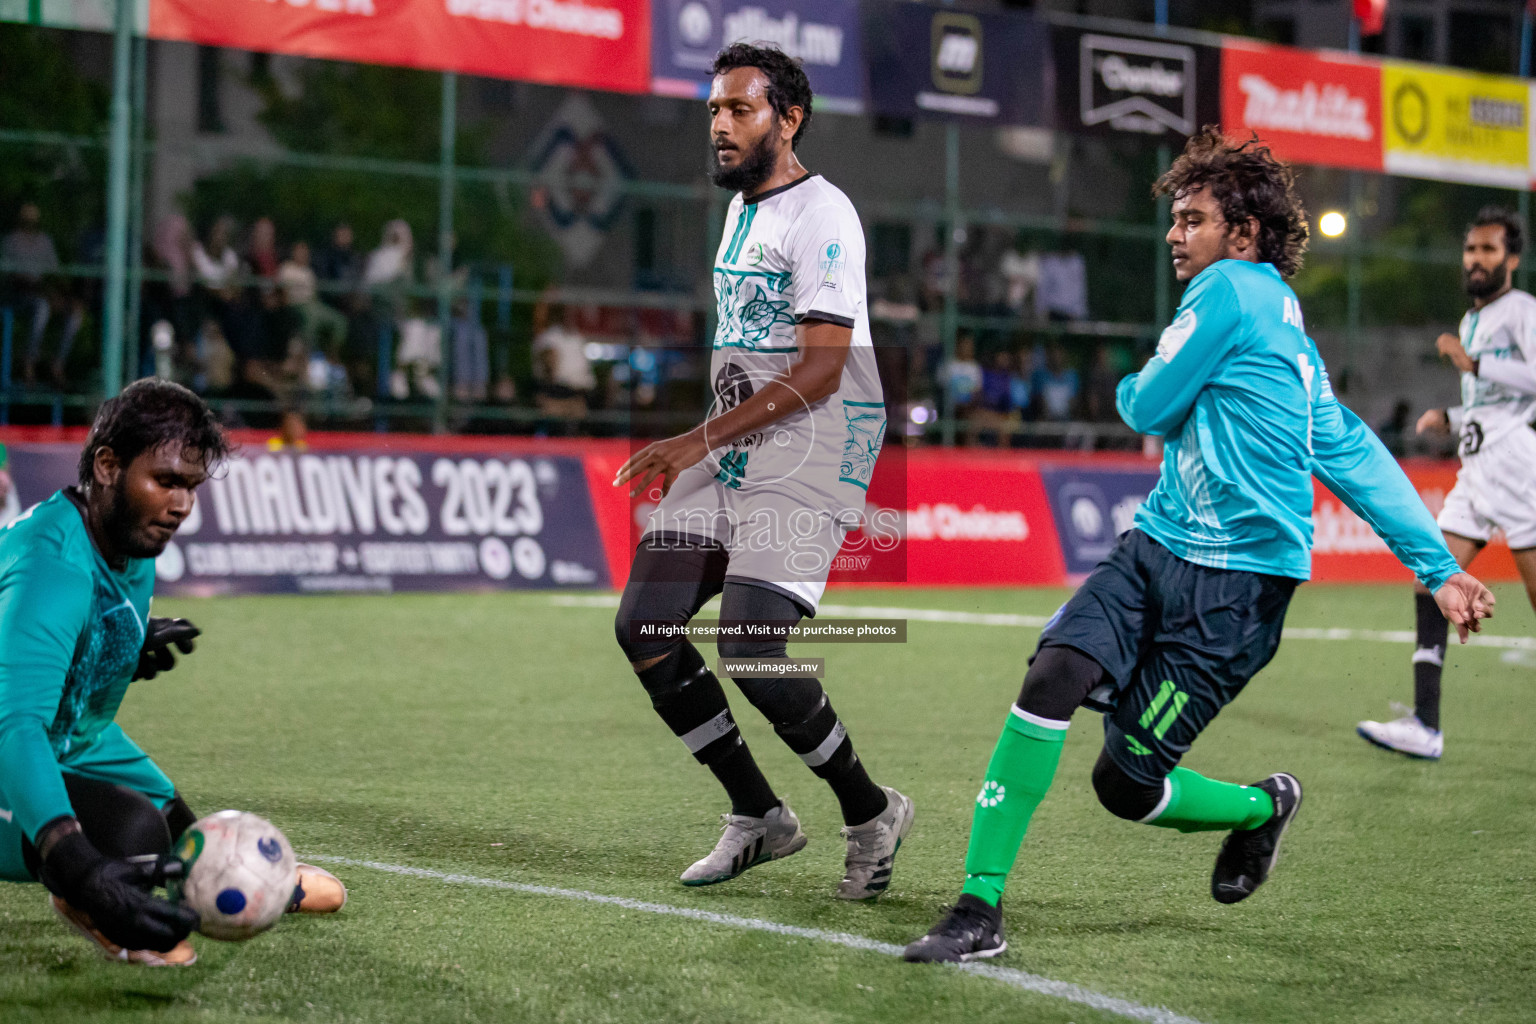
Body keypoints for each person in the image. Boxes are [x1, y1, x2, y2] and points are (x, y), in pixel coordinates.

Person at [903, 128, 1495, 964]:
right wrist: (1438, 568)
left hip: (1238, 593)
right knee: (1053, 674)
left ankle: (1261, 808)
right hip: (1156, 547)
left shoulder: (1228, 293)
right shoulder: (1287, 324)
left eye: (1194, 219)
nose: (1176, 236)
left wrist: (1134, 387)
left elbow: (1144, 407)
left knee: (1126, 782)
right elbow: (1350, 446)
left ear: (1243, 234)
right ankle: (978, 904)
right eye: (1175, 220)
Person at [610, 43, 913, 900]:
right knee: (647, 630)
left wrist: (693, 442)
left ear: (789, 118)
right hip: (738, 435)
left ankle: (870, 812)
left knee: (750, 648)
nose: (719, 125)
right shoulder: (743, 207)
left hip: (815, 436)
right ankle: (762, 817)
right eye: (714, 110)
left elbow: (821, 370)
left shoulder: (826, 215)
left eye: (740, 110)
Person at [0, 379, 345, 967]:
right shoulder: (53, 566)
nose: (181, 505)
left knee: (173, 818)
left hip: (71, 731)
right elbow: (14, 722)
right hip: (16, 734)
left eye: (190, 486)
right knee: (132, 834)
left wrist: (123, 648)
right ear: (108, 465)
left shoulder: (123, 539)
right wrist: (77, 865)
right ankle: (85, 903)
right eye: (165, 481)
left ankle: (246, 880)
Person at [1358, 207, 1536, 760]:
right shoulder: (1472, 322)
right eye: (1470, 250)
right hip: (1477, 464)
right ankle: (1425, 727)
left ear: (1512, 259)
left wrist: (1475, 364)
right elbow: (1488, 406)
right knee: (1432, 582)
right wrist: (1450, 417)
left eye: (1488, 250)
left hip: (1517, 464)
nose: (1476, 260)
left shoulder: (1522, 311)